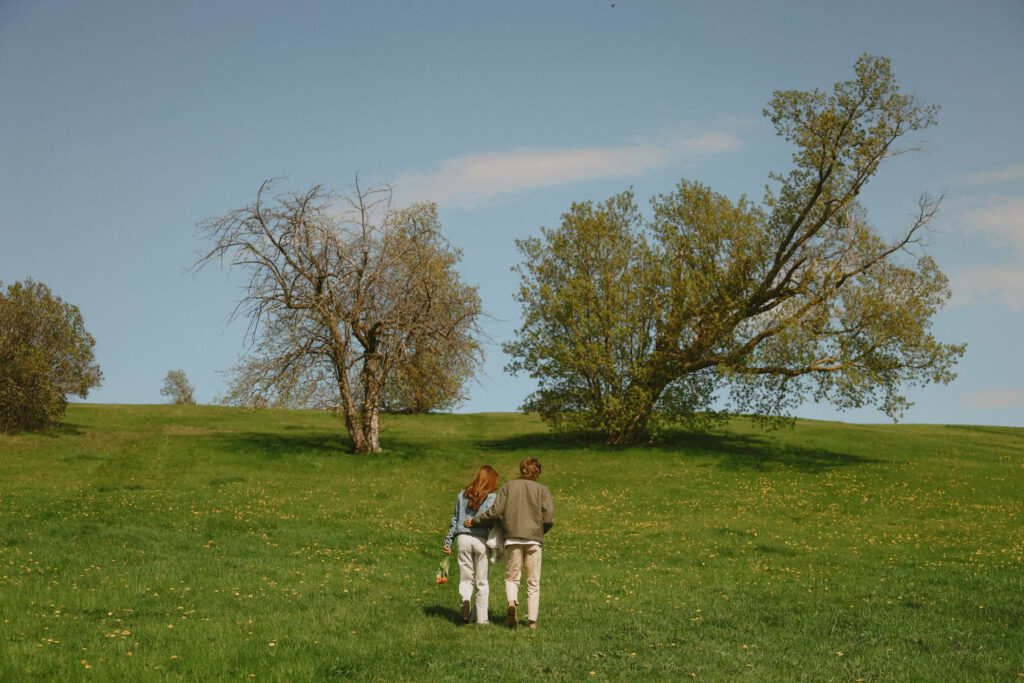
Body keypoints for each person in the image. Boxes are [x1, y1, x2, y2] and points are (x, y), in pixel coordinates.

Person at [464, 457, 553, 629]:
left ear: (521, 470)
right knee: (533, 580)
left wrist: (475, 521)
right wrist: (541, 531)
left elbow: (495, 511)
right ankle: (532, 622)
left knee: (512, 577)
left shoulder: (507, 487)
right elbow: (548, 518)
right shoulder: (543, 490)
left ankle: (512, 603)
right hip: (534, 539)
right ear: (538, 472)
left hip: (512, 538)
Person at [444, 465, 500, 624]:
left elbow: (455, 520)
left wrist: (448, 541)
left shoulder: (462, 494)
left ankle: (466, 600)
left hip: (462, 539)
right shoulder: (492, 498)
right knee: (482, 580)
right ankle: (481, 619)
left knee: (466, 576)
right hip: (481, 540)